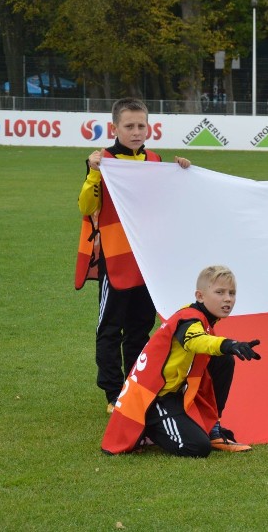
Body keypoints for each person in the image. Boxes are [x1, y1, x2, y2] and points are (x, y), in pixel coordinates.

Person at [75, 97, 191, 414]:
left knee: (140, 329)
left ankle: (133, 386)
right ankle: (113, 393)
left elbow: (165, 202)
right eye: (129, 126)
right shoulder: (103, 160)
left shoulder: (155, 159)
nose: (136, 131)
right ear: (115, 128)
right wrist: (94, 172)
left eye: (141, 125)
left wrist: (181, 173)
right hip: (115, 259)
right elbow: (87, 207)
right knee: (110, 329)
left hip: (147, 261)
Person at [102, 265, 262, 457]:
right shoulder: (189, 318)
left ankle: (213, 427)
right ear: (200, 296)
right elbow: (194, 340)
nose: (227, 299)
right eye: (220, 292)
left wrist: (225, 348)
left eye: (231, 293)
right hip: (153, 399)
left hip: (173, 393)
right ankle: (147, 427)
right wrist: (228, 344)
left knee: (223, 360)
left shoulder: (201, 318)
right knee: (197, 448)